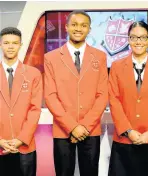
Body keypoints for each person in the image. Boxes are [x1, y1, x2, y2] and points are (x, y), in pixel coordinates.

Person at [44, 10, 108, 176]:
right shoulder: (51, 57)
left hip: (90, 128)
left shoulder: (100, 56)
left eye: (83, 25)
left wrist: (84, 126)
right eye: (74, 24)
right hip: (63, 128)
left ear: (89, 29)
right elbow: (50, 96)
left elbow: (102, 95)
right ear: (66, 27)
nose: (78, 28)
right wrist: (72, 126)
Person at [108, 21, 148, 176]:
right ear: (128, 40)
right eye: (134, 37)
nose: (138, 42)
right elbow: (114, 100)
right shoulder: (116, 66)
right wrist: (128, 131)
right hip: (125, 140)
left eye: (143, 37)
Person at [0, 27, 42, 176]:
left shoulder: (33, 74)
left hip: (25, 145)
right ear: (0, 44)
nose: (10, 46)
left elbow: (35, 110)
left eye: (14, 43)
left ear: (20, 45)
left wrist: (20, 139)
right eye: (6, 43)